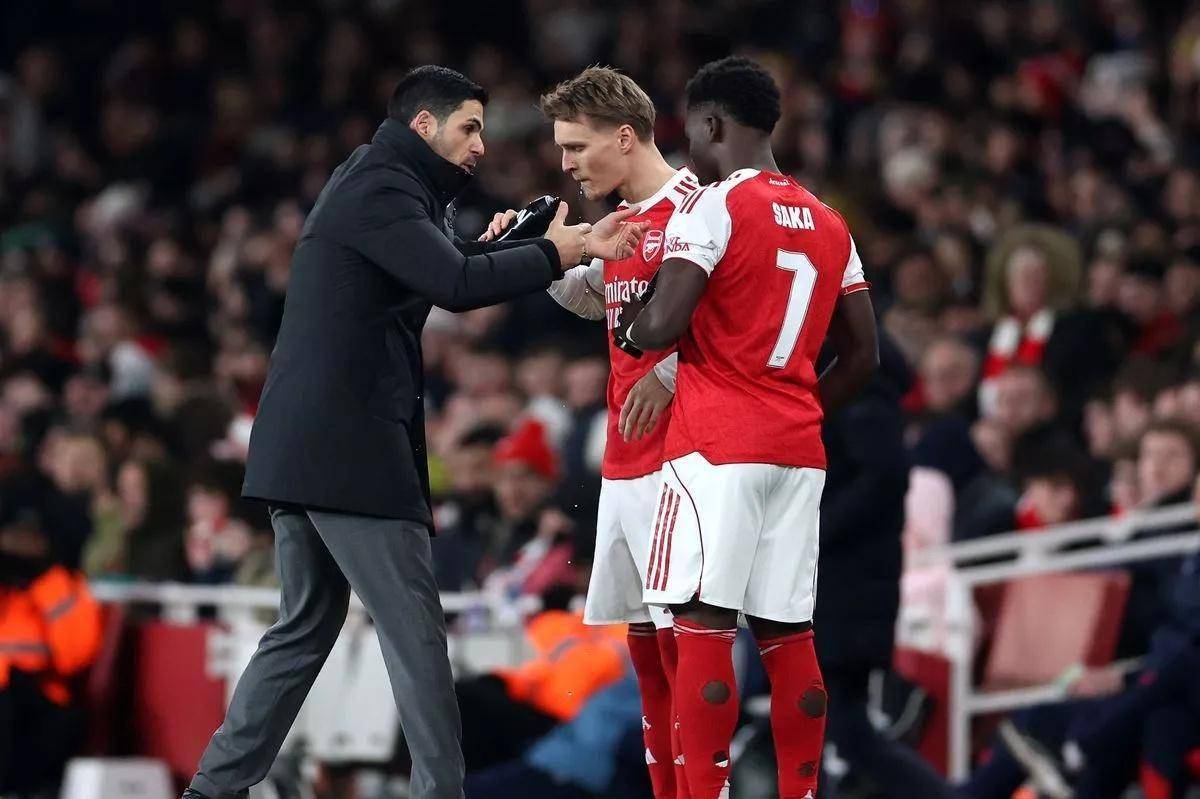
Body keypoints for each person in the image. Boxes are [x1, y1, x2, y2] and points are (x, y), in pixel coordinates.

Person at [183, 66, 644, 799]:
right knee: (415, 631)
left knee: (303, 627)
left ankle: (213, 791)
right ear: (424, 125)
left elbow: (450, 268)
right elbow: (455, 286)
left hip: (307, 446)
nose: (481, 146)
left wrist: (553, 241)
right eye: (469, 128)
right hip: (350, 452)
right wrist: (564, 252)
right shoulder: (383, 187)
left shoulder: (382, 184)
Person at [615, 57, 879, 799]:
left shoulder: (713, 205)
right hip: (797, 450)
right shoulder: (830, 220)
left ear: (712, 124)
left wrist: (630, 324)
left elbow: (664, 321)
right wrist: (796, 404)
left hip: (714, 447)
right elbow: (865, 354)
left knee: (701, 628)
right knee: (788, 636)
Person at [481, 65, 699, 799]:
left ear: (625, 137)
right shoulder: (623, 223)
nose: (567, 164)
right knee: (646, 659)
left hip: (688, 468)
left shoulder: (700, 212)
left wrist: (671, 372)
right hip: (627, 464)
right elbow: (595, 298)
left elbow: (745, 317)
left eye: (576, 147)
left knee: (689, 652)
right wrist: (538, 253)